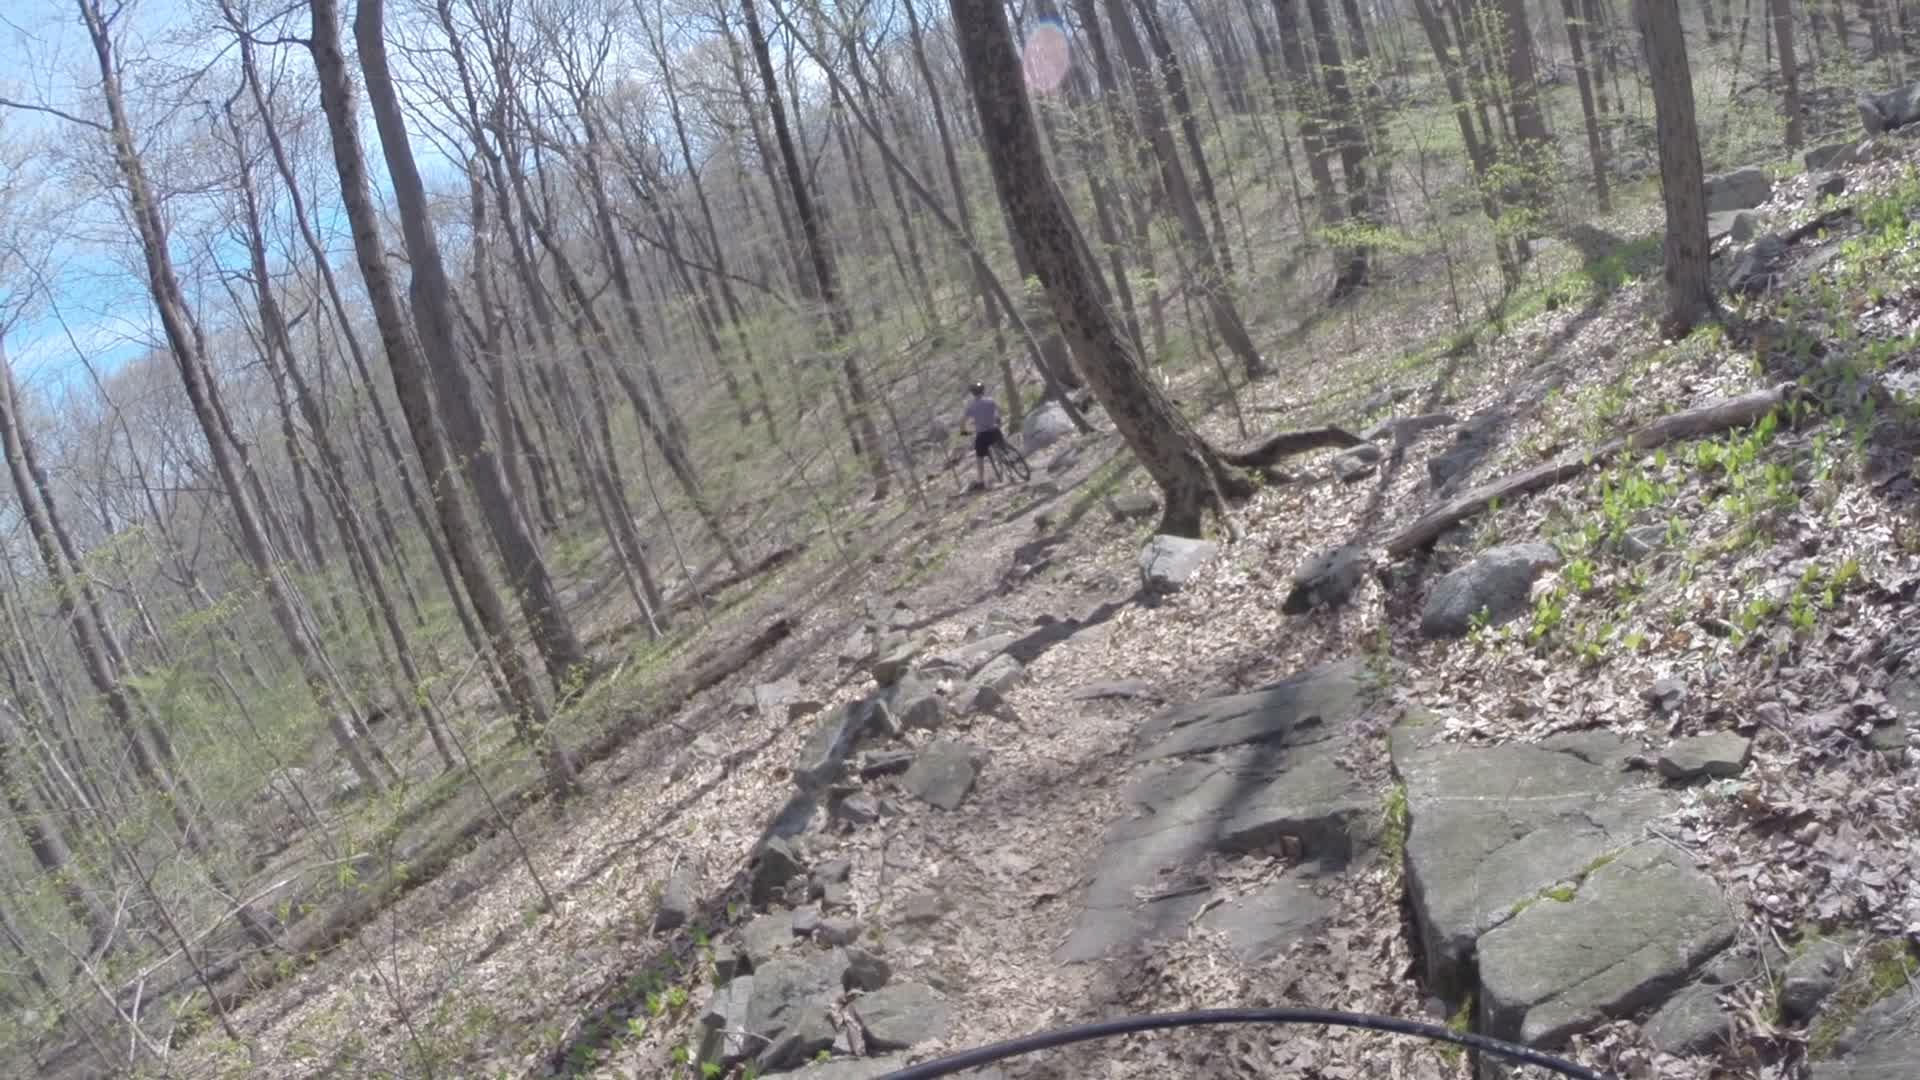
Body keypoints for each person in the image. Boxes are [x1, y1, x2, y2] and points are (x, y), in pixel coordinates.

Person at [959, 381, 1004, 491]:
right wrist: (998, 419)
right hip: (995, 431)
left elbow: (962, 421)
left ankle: (981, 481)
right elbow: (1000, 410)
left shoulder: (971, 406)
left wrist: (964, 431)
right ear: (983, 390)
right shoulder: (991, 401)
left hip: (983, 435)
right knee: (1004, 447)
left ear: (972, 393)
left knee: (979, 458)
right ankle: (1011, 459)